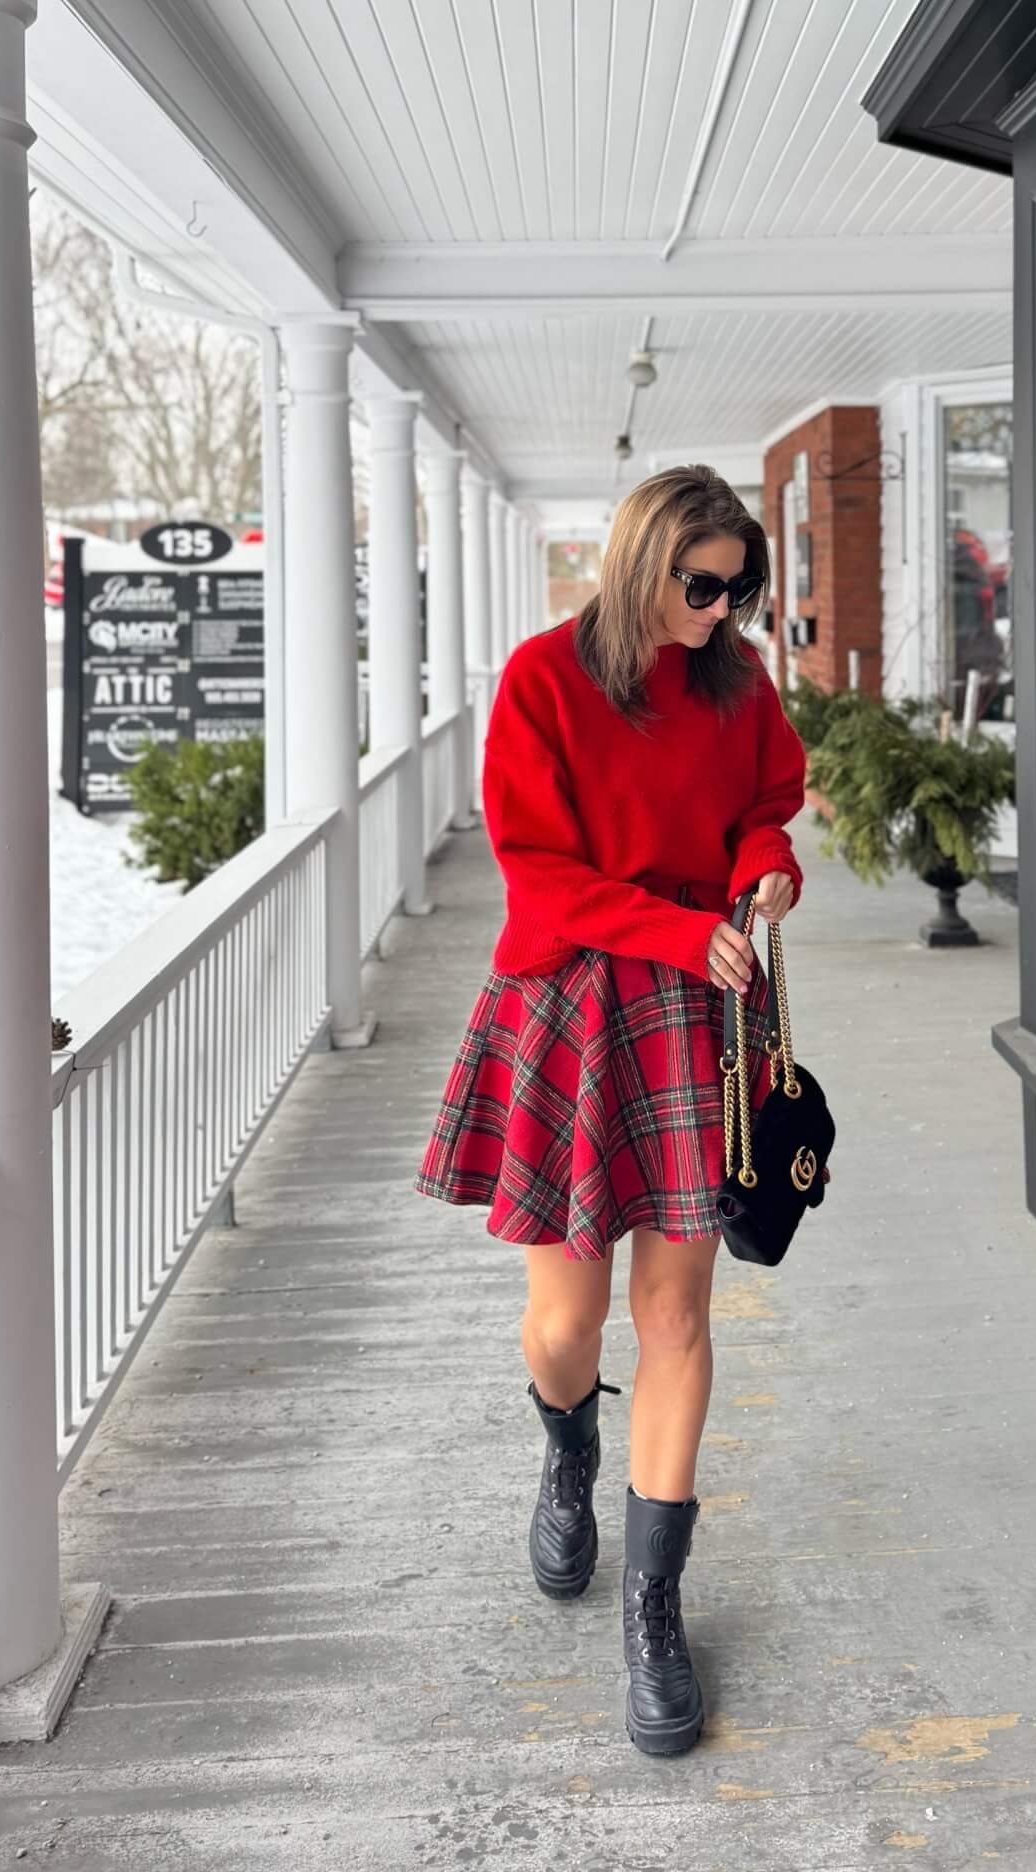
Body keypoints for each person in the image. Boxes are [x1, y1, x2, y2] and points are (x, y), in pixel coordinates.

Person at [415, 464, 807, 1757]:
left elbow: (763, 803)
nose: (722, 609)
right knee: (566, 1319)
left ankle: (654, 1607)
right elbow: (539, 873)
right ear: (642, 564)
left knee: (676, 1315)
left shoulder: (736, 685)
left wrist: (764, 872)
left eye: (739, 587)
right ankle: (569, 1445)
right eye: (702, 585)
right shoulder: (542, 681)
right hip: (578, 1005)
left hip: (702, 1009)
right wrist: (679, 929)